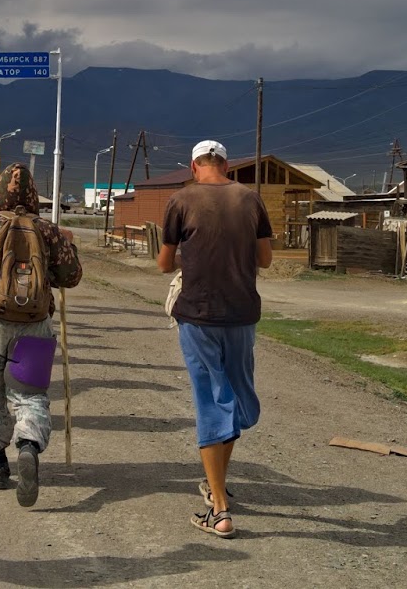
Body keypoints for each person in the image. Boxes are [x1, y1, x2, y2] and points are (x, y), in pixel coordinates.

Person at [157, 140, 273, 540]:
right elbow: (266, 259)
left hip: (198, 315)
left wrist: (191, 255)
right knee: (237, 400)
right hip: (242, 315)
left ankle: (219, 511)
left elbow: (162, 262)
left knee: (211, 401)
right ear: (226, 164)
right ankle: (215, 485)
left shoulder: (181, 200)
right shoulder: (251, 199)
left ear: (194, 165)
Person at [0, 163, 81, 507]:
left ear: (1, 193)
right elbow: (71, 277)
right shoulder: (47, 231)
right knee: (31, 395)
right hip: (35, 326)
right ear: (34, 194)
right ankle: (28, 445)